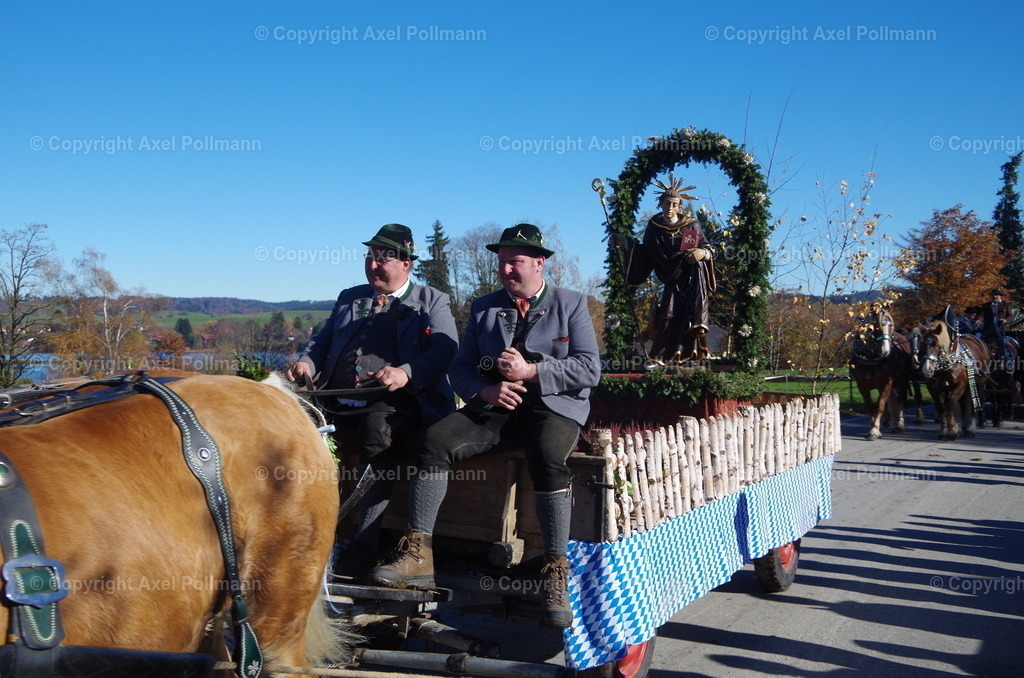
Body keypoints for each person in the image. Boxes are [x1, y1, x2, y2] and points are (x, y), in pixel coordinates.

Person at [368, 223, 601, 629]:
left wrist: (532, 370)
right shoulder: (485, 307)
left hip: (553, 407)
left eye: (516, 262)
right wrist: (487, 391)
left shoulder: (572, 303)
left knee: (547, 455)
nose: (507, 270)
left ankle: (555, 570)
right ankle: (419, 553)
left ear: (539, 263)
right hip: (497, 407)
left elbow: (589, 369)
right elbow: (459, 368)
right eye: (502, 263)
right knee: (436, 440)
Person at [287, 223, 458, 578]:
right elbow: (321, 342)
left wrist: (406, 372)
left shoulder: (432, 300)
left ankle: (363, 545)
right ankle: (296, 531)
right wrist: (307, 361)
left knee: (375, 433)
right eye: (370, 257)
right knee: (286, 426)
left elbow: (446, 350)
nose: (373, 266)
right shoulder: (351, 296)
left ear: (406, 264)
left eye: (383, 259)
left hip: (397, 402)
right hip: (332, 400)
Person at [610, 175, 716, 362]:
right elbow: (646, 253)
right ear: (661, 204)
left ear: (680, 206)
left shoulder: (690, 225)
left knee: (691, 315)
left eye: (674, 204)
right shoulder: (655, 226)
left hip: (691, 278)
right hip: (671, 279)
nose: (670, 208)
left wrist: (702, 253)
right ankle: (660, 356)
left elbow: (707, 248)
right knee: (667, 314)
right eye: (667, 203)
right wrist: (626, 243)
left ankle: (690, 355)